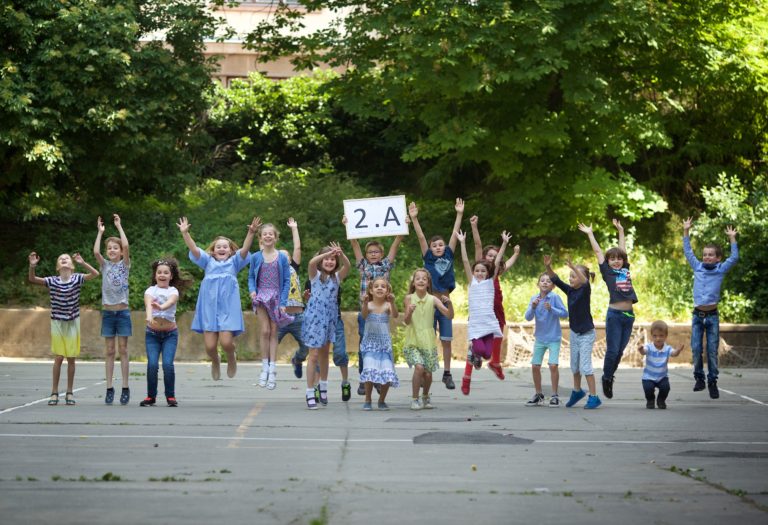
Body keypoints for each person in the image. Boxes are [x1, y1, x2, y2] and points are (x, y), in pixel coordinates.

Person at [178, 216, 261, 381]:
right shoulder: (207, 261)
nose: (222, 249)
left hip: (228, 308)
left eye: (225, 247)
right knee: (209, 346)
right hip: (209, 307)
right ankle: (215, 360)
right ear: (213, 251)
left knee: (226, 342)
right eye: (218, 247)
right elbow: (194, 249)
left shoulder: (234, 262)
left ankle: (231, 356)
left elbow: (244, 250)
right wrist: (185, 233)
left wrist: (251, 232)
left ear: (230, 251)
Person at [343, 214, 406, 397]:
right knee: (365, 344)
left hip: (382, 313)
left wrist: (401, 231)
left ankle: (379, 378)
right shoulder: (363, 265)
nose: (372, 254)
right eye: (370, 252)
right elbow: (354, 245)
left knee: (380, 345)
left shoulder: (386, 265)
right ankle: (365, 379)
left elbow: (395, 245)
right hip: (367, 312)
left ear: (381, 254)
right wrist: (349, 227)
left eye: (376, 252)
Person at [28, 251, 99, 406]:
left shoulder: (77, 278)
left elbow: (95, 273)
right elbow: (32, 279)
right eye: (61, 259)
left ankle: (69, 392)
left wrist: (82, 262)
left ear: (72, 266)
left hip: (73, 322)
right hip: (57, 323)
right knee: (59, 357)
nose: (64, 259)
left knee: (71, 358)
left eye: (67, 258)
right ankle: (54, 392)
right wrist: (32, 266)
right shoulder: (52, 281)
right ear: (58, 267)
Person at [408, 198, 464, 390]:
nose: (438, 247)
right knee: (428, 338)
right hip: (430, 303)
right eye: (435, 245)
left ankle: (447, 373)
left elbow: (455, 237)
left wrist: (459, 214)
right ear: (430, 249)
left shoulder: (448, 254)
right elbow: (422, 238)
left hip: (445, 300)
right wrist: (414, 219)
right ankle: (424, 369)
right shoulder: (429, 257)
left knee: (446, 339)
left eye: (440, 244)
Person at [579, 220, 637, 399]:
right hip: (615, 315)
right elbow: (597, 251)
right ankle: (606, 377)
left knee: (620, 351)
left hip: (629, 316)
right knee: (612, 350)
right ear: (608, 262)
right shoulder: (607, 272)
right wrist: (590, 233)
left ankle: (609, 376)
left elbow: (622, 250)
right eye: (612, 259)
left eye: (619, 259)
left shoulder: (625, 268)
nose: (617, 261)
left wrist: (621, 231)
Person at [683, 218, 738, 399]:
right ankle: (699, 378)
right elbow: (688, 251)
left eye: (710, 255)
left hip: (712, 316)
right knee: (696, 348)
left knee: (712, 351)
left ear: (717, 258)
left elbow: (734, 257)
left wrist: (732, 238)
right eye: (705, 254)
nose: (706, 257)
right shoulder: (697, 267)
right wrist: (686, 231)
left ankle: (712, 381)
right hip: (697, 316)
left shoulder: (721, 269)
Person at [543, 255, 601, 409]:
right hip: (575, 333)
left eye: (574, 276)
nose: (570, 278)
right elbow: (555, 279)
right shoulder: (570, 291)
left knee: (585, 366)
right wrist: (548, 267)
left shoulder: (585, 289)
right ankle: (577, 391)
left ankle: (594, 397)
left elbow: (585, 281)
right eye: (570, 276)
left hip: (587, 334)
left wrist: (574, 267)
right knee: (574, 366)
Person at [301, 243, 351, 409]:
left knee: (324, 353)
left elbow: (348, 266)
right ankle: (309, 391)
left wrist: (340, 253)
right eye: (326, 259)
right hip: (315, 318)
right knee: (313, 354)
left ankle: (323, 385)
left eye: (332, 259)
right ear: (321, 261)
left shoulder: (336, 277)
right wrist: (326, 253)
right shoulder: (315, 276)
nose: (329, 261)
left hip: (330, 318)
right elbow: (311, 263)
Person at [468, 218, 520, 380]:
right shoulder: (480, 269)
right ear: (484, 256)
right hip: (482, 308)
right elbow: (477, 244)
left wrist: (516, 253)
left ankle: (494, 360)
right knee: (483, 332)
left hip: (496, 305)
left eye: (494, 256)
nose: (491, 258)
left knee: (498, 330)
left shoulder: (496, 270)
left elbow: (507, 263)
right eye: (489, 255)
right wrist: (474, 226)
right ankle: (475, 350)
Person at [455, 229, 503, 395]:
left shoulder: (490, 282)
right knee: (481, 351)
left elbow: (496, 263)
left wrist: (504, 243)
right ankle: (473, 353)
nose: (480, 273)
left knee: (488, 354)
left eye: (483, 271)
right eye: (477, 271)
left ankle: (476, 354)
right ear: (474, 273)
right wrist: (462, 242)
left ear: (488, 273)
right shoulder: (472, 283)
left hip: (489, 324)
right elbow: (466, 261)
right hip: (476, 326)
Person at [93, 214, 132, 405]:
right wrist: (100, 233)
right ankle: (109, 387)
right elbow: (95, 253)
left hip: (123, 312)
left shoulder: (125, 265)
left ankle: (125, 386)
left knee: (123, 350)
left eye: (115, 248)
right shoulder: (105, 265)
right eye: (109, 248)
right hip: (108, 313)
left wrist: (119, 226)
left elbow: (126, 246)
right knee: (109, 351)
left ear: (121, 253)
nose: (112, 250)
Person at [248, 222, 293, 390]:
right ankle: (264, 368)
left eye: (271, 234)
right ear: (260, 238)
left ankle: (273, 369)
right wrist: (252, 291)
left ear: (275, 237)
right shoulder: (255, 257)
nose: (268, 236)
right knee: (265, 330)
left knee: (274, 331)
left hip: (276, 296)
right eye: (264, 234)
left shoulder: (281, 257)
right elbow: (251, 277)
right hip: (261, 296)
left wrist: (283, 302)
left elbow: (287, 280)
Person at [403, 269, 453, 410]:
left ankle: (425, 396)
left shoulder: (433, 299)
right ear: (413, 283)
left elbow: (449, 316)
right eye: (417, 278)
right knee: (419, 367)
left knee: (428, 373)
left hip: (428, 340)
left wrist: (450, 304)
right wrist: (409, 312)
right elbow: (406, 321)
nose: (420, 280)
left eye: (424, 279)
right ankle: (414, 399)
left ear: (428, 283)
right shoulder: (408, 298)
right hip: (413, 339)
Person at [140, 258, 188, 407]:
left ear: (171, 276)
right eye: (159, 272)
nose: (162, 275)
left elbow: (171, 302)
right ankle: (151, 396)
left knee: (168, 365)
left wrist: (160, 308)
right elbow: (148, 303)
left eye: (166, 273)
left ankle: (170, 396)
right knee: (152, 365)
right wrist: (149, 316)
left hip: (170, 334)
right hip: (152, 335)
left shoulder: (173, 291)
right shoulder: (150, 290)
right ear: (155, 275)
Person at [524, 272, 568, 407]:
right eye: (542, 280)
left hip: (553, 337)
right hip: (540, 338)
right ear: (538, 284)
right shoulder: (534, 298)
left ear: (553, 286)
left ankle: (554, 395)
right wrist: (533, 307)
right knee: (535, 365)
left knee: (553, 365)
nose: (544, 283)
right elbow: (528, 317)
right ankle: (538, 394)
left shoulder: (554, 297)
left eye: (548, 281)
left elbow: (565, 314)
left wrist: (552, 309)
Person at [359, 277, 400, 410]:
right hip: (370, 344)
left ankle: (381, 400)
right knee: (369, 370)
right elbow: (364, 316)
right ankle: (368, 399)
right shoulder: (369, 305)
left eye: (383, 286)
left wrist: (393, 302)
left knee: (387, 372)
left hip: (384, 345)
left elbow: (395, 315)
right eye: (376, 286)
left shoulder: (388, 305)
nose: (380, 288)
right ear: (371, 290)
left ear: (388, 290)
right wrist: (364, 303)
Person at [637, 320, 684, 409]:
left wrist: (678, 350)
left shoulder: (667, 348)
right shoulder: (649, 347)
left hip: (662, 377)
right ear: (652, 336)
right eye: (655, 336)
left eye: (661, 336)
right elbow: (644, 352)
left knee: (666, 388)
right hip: (648, 376)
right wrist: (641, 349)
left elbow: (673, 354)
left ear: (665, 336)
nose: (658, 338)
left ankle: (661, 400)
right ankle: (650, 400)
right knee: (648, 389)